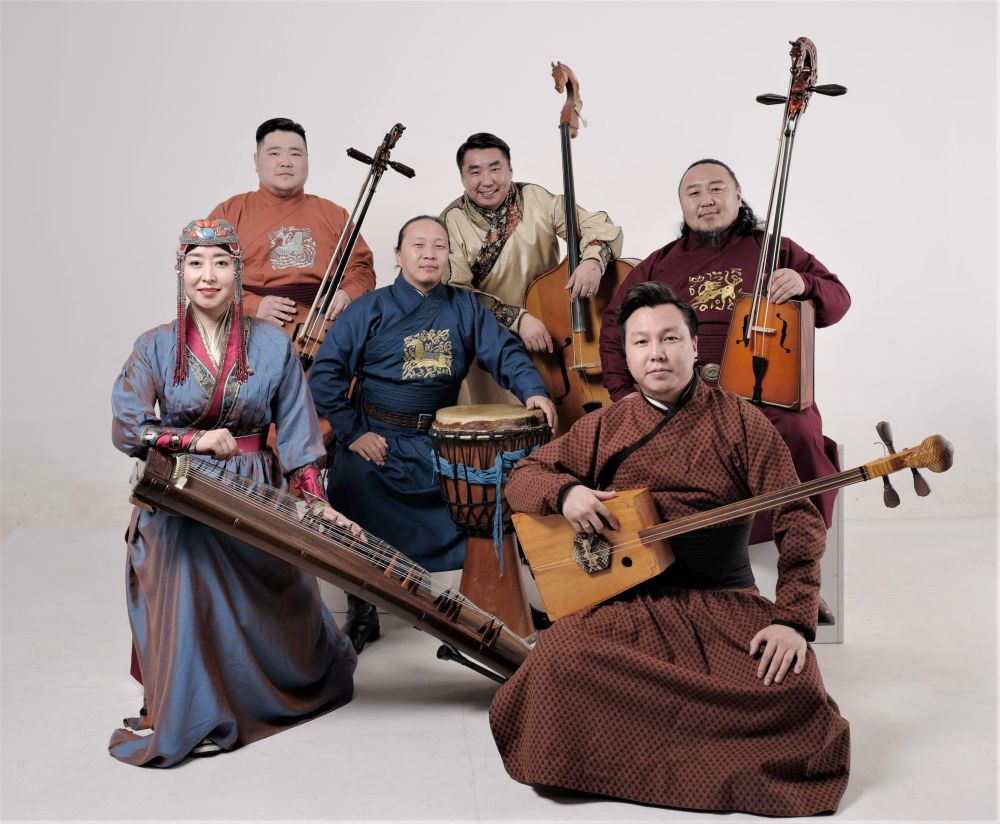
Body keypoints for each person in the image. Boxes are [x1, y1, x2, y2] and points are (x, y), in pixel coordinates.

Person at [491, 282, 850, 816]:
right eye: (640, 342)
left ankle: (640, 760)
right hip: (632, 605)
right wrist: (565, 493)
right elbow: (523, 475)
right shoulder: (605, 425)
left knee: (793, 688)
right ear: (628, 356)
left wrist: (792, 619)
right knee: (557, 660)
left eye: (669, 338)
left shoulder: (742, 421)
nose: (656, 353)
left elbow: (798, 517)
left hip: (723, 603)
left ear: (694, 346)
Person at [110, 219, 358, 766]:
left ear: (238, 273)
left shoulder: (272, 344)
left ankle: (261, 689)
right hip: (180, 493)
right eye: (196, 264)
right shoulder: (154, 346)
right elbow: (128, 428)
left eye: (220, 263)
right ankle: (193, 709)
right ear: (180, 272)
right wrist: (194, 439)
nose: (208, 276)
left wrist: (315, 502)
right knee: (180, 569)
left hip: (256, 489)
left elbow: (297, 432)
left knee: (281, 588)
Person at [308, 216, 557, 652]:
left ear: (448, 257)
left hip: (441, 442)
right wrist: (352, 434)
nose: (429, 254)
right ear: (399, 256)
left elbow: (505, 351)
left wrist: (533, 391)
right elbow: (325, 376)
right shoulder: (369, 308)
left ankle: (495, 600)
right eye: (418, 245)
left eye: (439, 247)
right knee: (349, 488)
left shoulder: (464, 308)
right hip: (377, 439)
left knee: (497, 493)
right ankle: (363, 606)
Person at [599, 159, 850, 558]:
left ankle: (801, 560)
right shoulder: (660, 263)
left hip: (761, 390)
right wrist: (624, 392)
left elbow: (838, 301)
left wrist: (806, 283)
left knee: (798, 431)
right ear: (682, 205)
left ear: (737, 195)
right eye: (693, 192)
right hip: (684, 396)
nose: (706, 200)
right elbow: (615, 323)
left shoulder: (774, 249)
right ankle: (696, 562)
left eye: (716, 189)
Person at [442, 132, 623, 404]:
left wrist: (593, 259)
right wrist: (517, 319)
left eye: (495, 168)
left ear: (510, 170)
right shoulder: (451, 220)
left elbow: (596, 224)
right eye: (475, 172)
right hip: (491, 339)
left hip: (554, 332)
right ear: (462, 177)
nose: (487, 181)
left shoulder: (536, 198)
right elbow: (457, 293)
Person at [209, 117, 376, 329]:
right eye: (274, 153)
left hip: (320, 330)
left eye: (295, 154)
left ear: (307, 159)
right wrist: (252, 305)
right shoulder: (229, 212)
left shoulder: (334, 214)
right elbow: (205, 274)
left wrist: (346, 293)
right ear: (256, 160)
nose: (286, 161)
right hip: (249, 328)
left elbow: (362, 268)